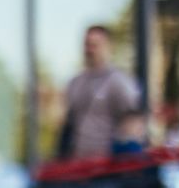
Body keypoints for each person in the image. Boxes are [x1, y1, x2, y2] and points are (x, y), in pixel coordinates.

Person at [59, 24, 142, 160]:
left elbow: (133, 124)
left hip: (108, 167)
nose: (90, 50)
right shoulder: (75, 83)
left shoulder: (119, 82)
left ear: (108, 47)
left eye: (95, 45)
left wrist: (120, 152)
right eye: (87, 45)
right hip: (79, 165)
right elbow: (69, 125)